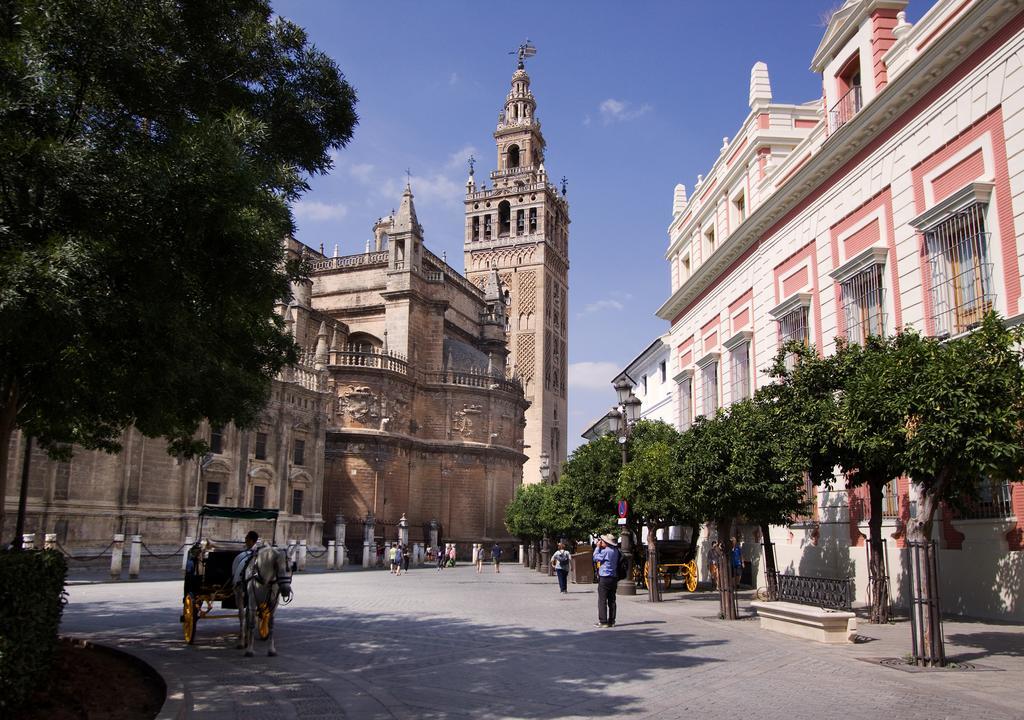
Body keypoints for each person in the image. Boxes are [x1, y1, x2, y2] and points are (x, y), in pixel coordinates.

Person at [592, 534, 620, 627]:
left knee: (602, 600)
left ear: (607, 543)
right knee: (612, 600)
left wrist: (597, 547)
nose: (601, 542)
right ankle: (612, 620)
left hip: (605, 577)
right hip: (614, 577)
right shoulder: (615, 551)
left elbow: (595, 558)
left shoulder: (606, 551)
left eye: (603, 541)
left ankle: (603, 621)